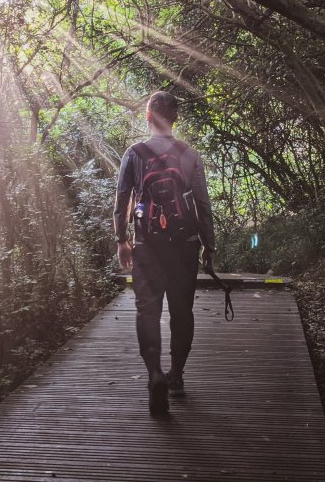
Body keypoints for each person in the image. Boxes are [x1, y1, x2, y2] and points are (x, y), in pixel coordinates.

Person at [113, 91, 215, 415]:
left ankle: (154, 372)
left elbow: (121, 200)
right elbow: (202, 204)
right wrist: (209, 245)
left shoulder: (134, 153)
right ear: (175, 118)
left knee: (148, 312)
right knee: (182, 312)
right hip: (185, 246)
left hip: (147, 246)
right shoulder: (189, 154)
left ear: (148, 116)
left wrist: (121, 240)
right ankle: (178, 377)